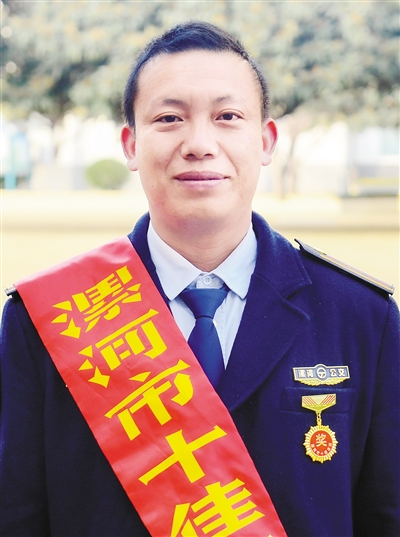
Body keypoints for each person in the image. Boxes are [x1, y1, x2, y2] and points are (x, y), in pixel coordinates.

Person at [1, 21, 399, 537]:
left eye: (227, 117)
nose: (200, 143)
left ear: (265, 141)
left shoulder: (362, 318)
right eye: (169, 118)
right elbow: (17, 514)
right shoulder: (48, 321)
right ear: (130, 145)